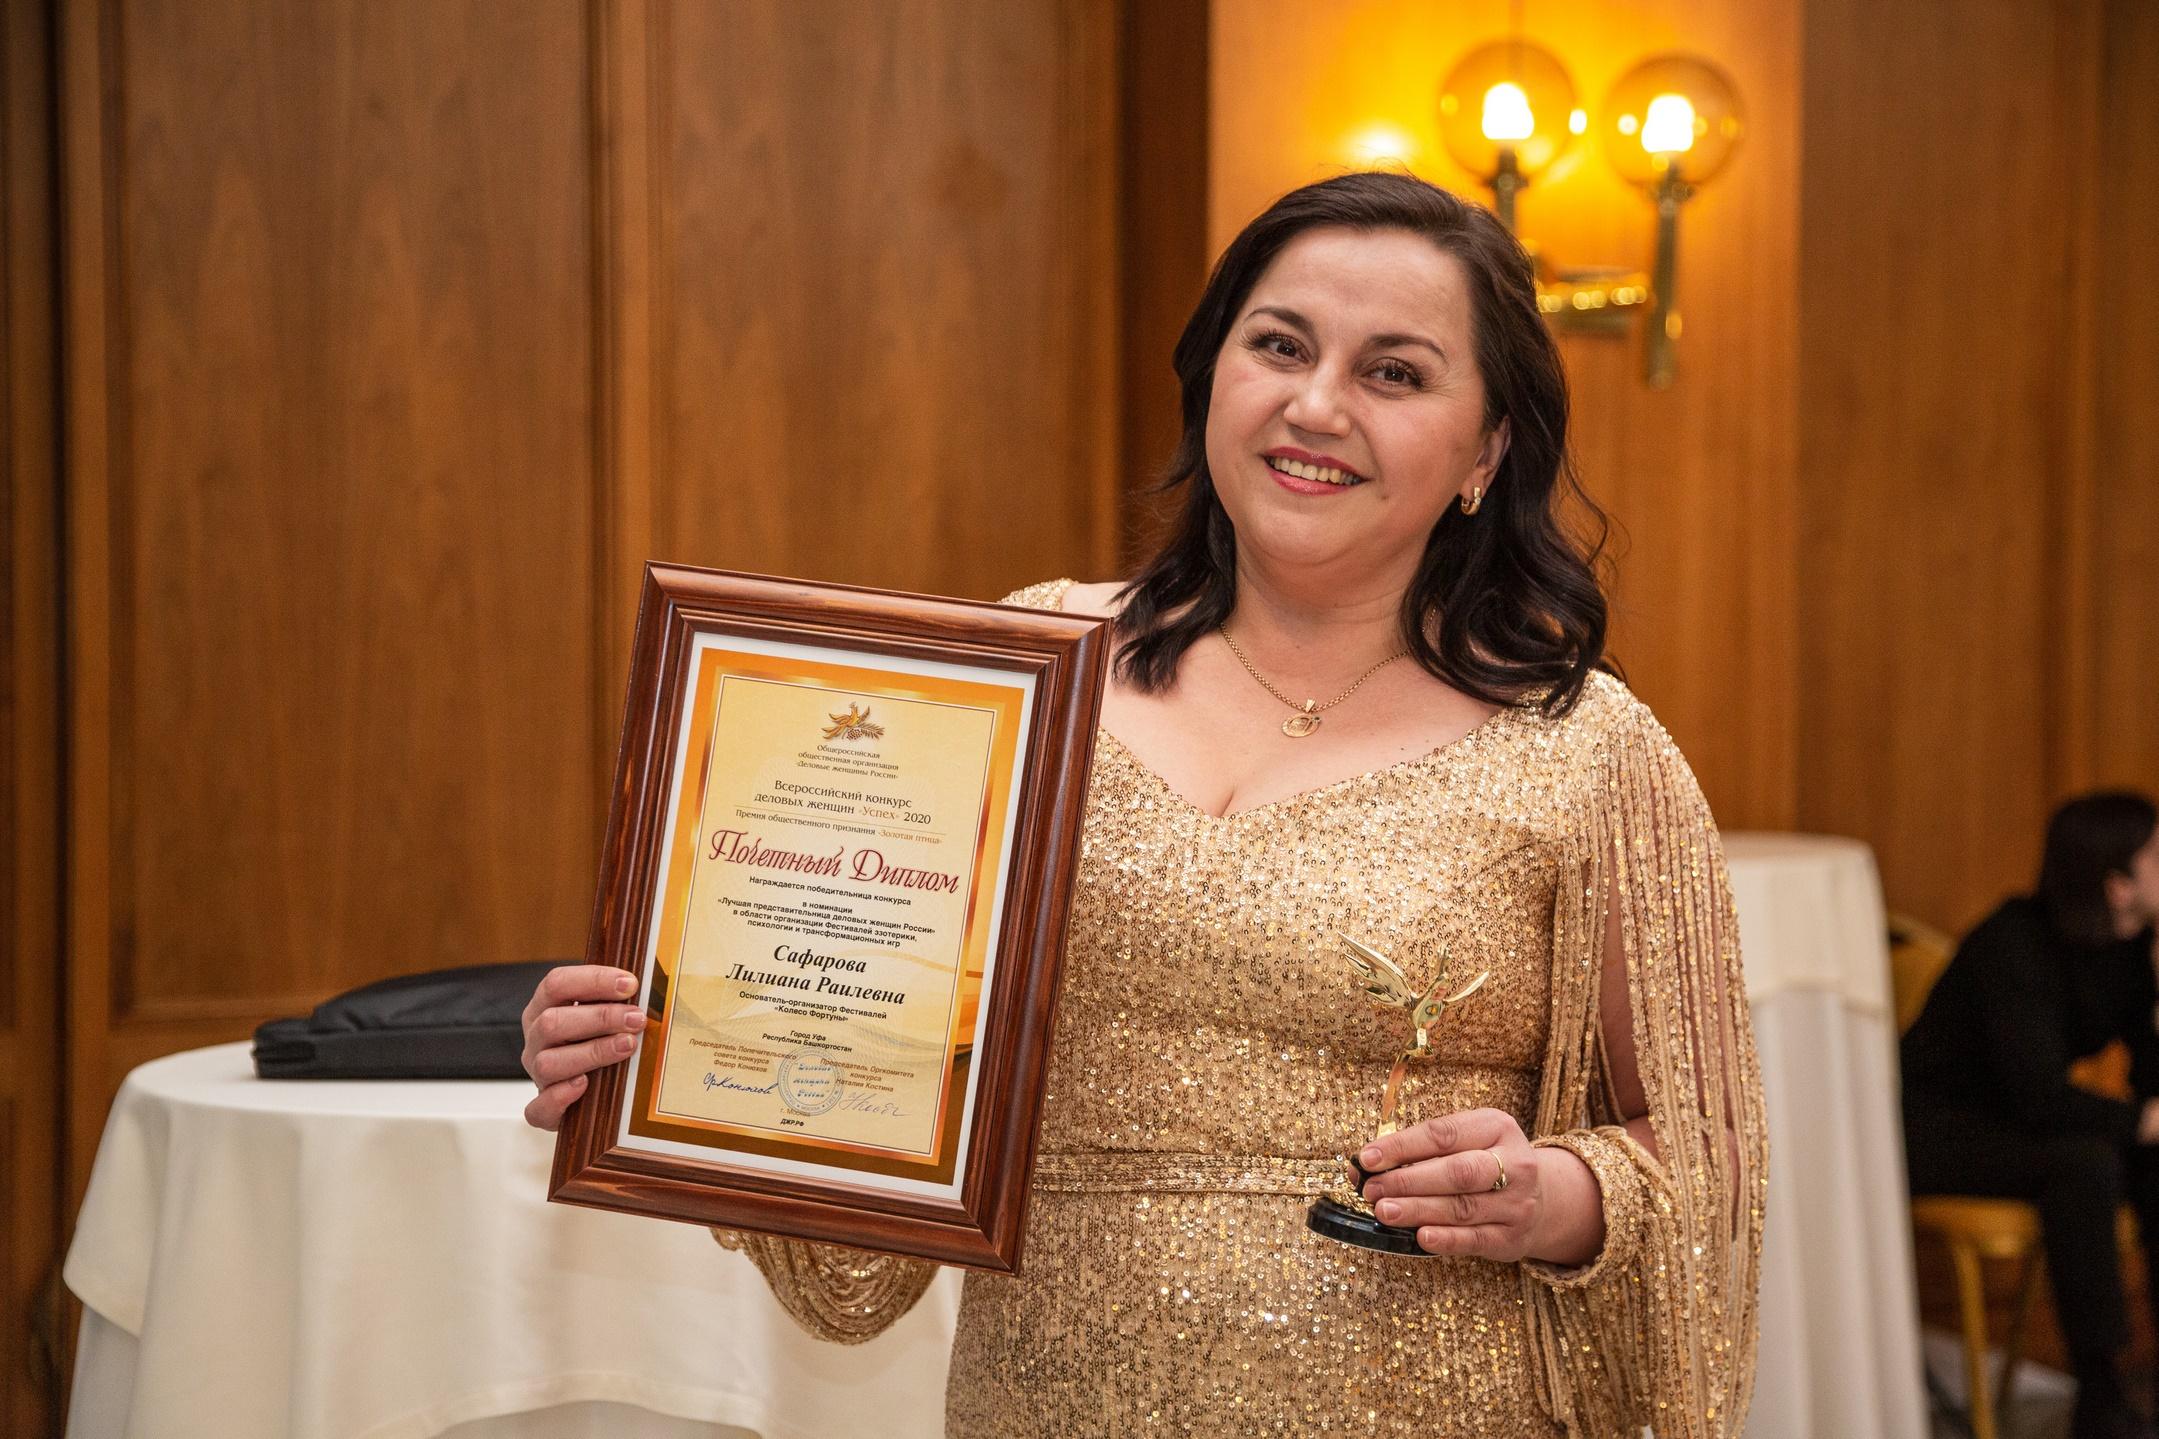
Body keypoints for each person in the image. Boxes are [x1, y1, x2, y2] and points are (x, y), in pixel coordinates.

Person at [520, 172, 1766, 1437]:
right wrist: (664, 1052)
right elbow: (854, 1055)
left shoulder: (1583, 749)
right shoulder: (1015, 674)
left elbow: (1707, 1156)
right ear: (1212, 376)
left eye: (1393, 373)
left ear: (1485, 450)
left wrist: (1550, 1194)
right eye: (1278, 345)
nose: (1315, 404)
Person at [1903, 791, 2159, 1439]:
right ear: (2119, 885)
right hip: (1932, 1127)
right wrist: (2139, 1123)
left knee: (2146, 1162)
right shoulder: (2012, 944)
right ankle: (2100, 1395)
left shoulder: (2133, 949)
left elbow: (2148, 1076)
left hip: (2018, 1121)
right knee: (2086, 1163)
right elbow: (2039, 1096)